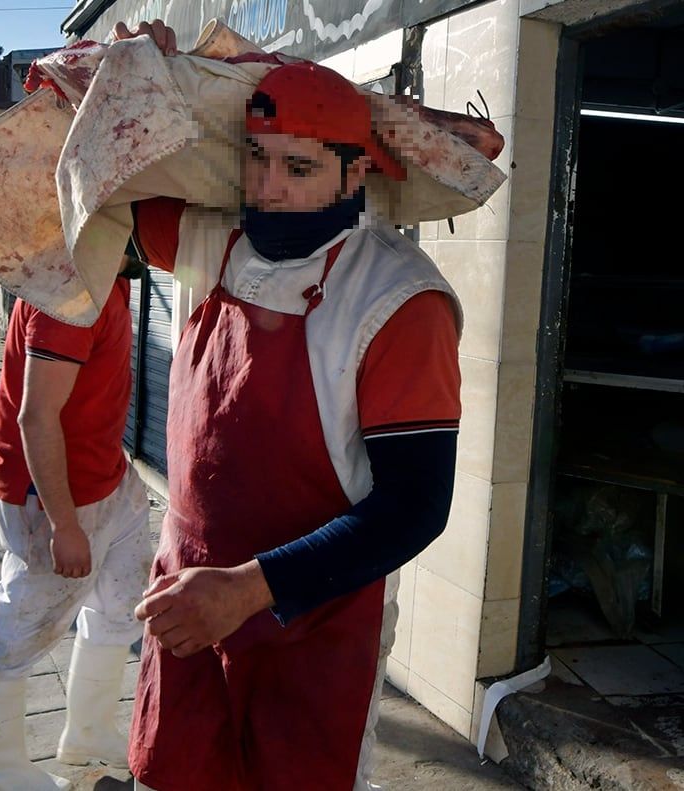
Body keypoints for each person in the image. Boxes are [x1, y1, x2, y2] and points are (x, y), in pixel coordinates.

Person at [114, 20, 463, 791]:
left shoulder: (400, 301)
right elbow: (116, 182)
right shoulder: (216, 241)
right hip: (189, 597)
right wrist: (145, 74)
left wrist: (246, 589)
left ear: (355, 175)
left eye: (298, 168)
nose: (268, 188)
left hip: (315, 621)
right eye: (256, 161)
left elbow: (413, 507)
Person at [0, 260, 153, 791]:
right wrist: (64, 525)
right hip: (54, 496)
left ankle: (88, 739)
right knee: (24, 622)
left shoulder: (107, 279)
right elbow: (36, 416)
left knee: (121, 607)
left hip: (107, 481)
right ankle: (0, 770)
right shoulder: (71, 295)